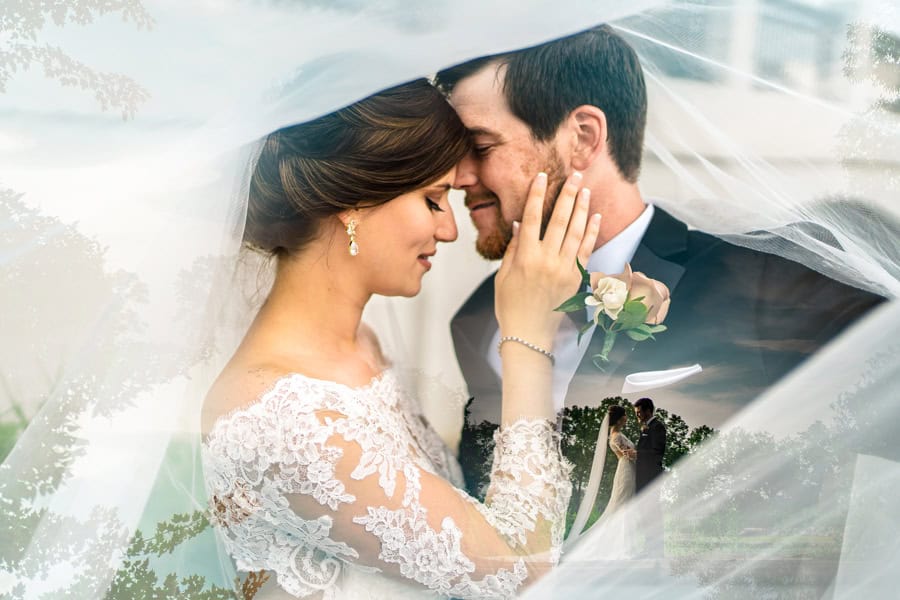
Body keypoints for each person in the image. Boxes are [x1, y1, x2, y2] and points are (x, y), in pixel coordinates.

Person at [435, 24, 885, 526]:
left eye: (480, 145)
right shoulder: (477, 319)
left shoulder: (766, 280)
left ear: (583, 138)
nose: (458, 177)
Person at [200, 78, 602, 599]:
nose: (450, 230)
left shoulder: (360, 346)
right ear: (354, 202)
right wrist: (526, 337)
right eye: (434, 200)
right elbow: (525, 571)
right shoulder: (278, 421)